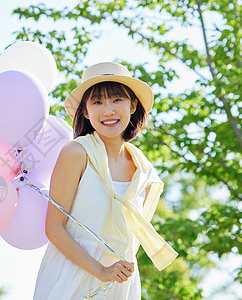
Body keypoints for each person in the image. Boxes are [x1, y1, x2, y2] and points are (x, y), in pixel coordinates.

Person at [33, 62, 178, 300]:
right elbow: (54, 228)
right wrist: (101, 270)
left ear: (132, 105)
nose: (108, 110)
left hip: (121, 284)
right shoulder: (77, 153)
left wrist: (114, 273)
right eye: (97, 102)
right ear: (86, 112)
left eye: (116, 100)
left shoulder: (144, 170)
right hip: (71, 278)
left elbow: (130, 241)